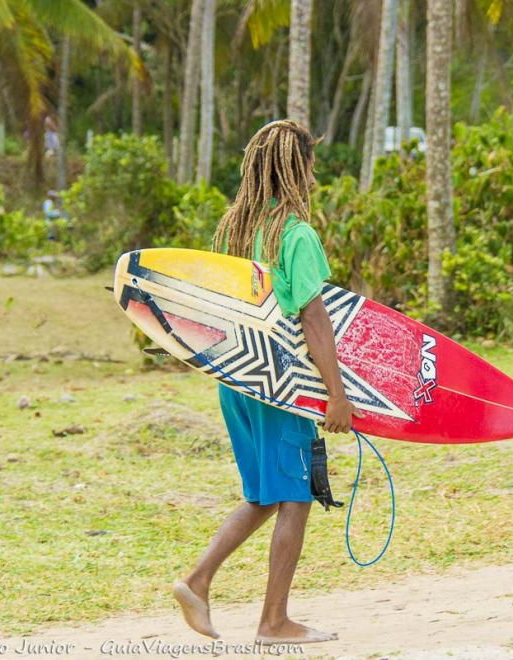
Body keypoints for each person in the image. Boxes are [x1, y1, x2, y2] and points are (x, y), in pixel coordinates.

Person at [172, 120, 361, 645]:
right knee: (295, 496)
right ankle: (274, 622)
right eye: (311, 167)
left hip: (236, 379)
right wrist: (337, 395)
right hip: (280, 385)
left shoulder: (231, 230)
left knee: (263, 495)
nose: (315, 177)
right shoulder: (295, 235)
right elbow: (314, 320)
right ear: (296, 170)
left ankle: (198, 579)